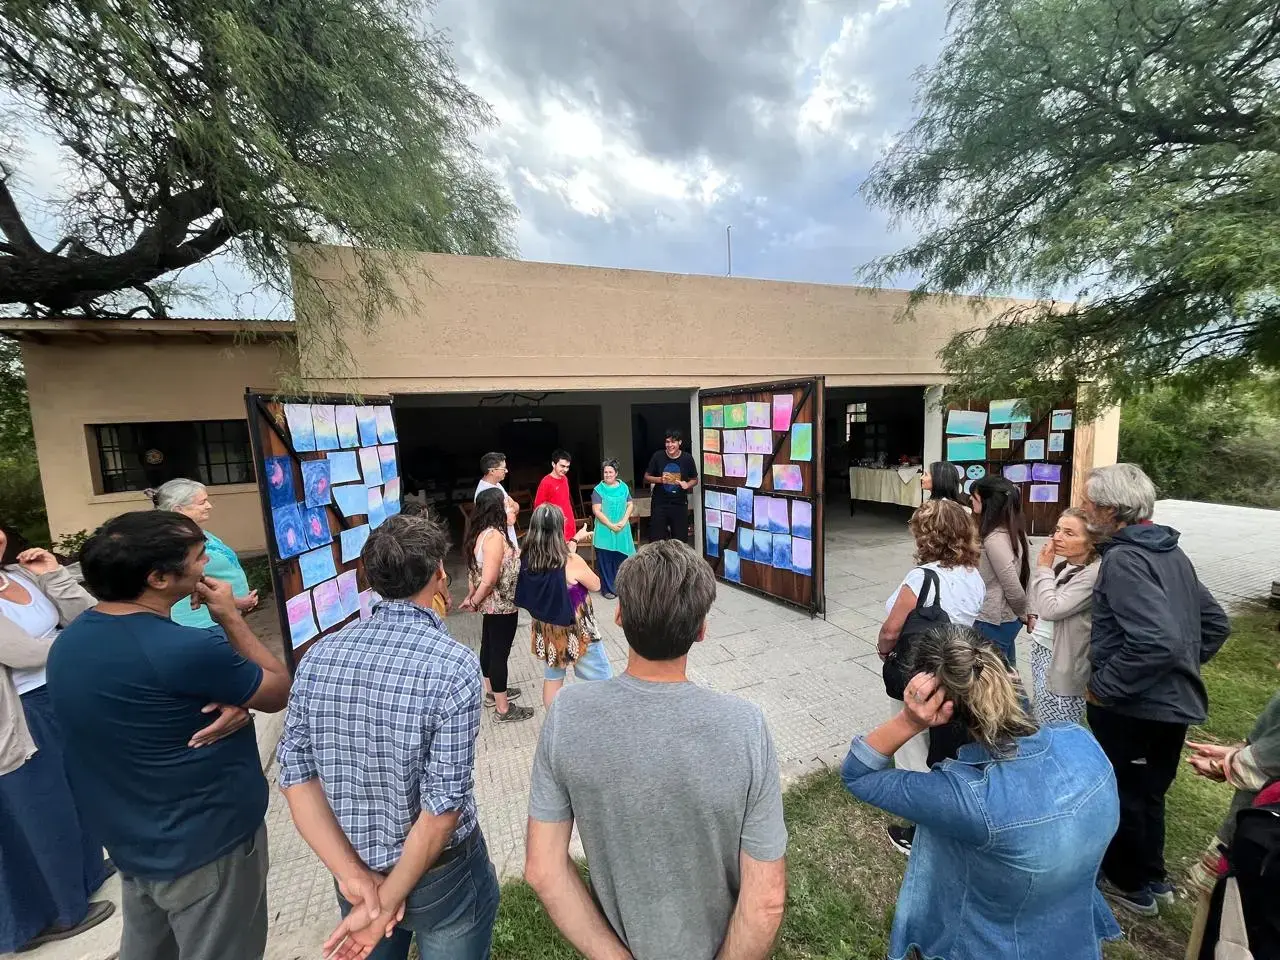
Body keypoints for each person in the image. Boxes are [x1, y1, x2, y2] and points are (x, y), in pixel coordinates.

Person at [47, 510, 292, 960]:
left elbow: (144, 708)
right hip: (206, 843)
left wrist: (233, 700)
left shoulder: (72, 641)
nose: (207, 566)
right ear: (159, 577)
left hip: (134, 839)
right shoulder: (186, 649)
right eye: (199, 558)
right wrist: (230, 619)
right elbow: (277, 690)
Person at [525, 540, 787, 960]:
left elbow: (542, 869)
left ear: (619, 615)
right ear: (701, 630)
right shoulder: (744, 726)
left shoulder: (567, 716)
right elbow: (766, 900)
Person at [279, 514, 499, 960]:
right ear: (441, 573)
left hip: (356, 868)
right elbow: (443, 806)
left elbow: (295, 776)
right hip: (441, 874)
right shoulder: (453, 666)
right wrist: (387, 901)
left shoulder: (319, 655)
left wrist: (358, 881)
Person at [842, 624, 1122, 960]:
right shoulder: (1082, 741)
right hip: (1074, 937)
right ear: (1008, 677)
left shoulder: (969, 797)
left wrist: (909, 721)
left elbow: (857, 775)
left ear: (942, 714)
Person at [1082, 463, 1231, 916]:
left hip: (1134, 708)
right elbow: (1214, 623)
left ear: (1110, 510)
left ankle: (1129, 887)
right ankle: (1152, 876)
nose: (1086, 510)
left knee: (1125, 791)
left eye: (1090, 503)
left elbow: (1158, 640)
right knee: (1148, 792)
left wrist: (1105, 686)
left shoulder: (1125, 559)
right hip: (1167, 705)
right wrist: (1179, 668)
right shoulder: (1169, 551)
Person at [0, 525, 114, 953]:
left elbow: (88, 614)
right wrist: (84, 641)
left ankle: (87, 874)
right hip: (20, 715)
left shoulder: (21, 574)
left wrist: (52, 574)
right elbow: (21, 653)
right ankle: (58, 912)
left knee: (79, 790)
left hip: (62, 694)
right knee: (41, 808)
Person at [876, 497, 985, 855]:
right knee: (944, 748)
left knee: (912, 747)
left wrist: (884, 649)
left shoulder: (921, 577)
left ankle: (921, 830)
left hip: (920, 672)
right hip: (956, 671)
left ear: (928, 537)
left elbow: (893, 629)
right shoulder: (973, 575)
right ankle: (950, 811)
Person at [1185, 687, 1280, 960]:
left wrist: (1229, 765)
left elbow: (1268, 761)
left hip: (1268, 847)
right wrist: (1233, 756)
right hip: (1263, 832)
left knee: (1234, 930)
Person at [515, 504, 610, 708]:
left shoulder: (528, 558)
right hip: (576, 629)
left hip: (547, 628)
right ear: (559, 529)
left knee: (553, 678)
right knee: (603, 678)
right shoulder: (570, 560)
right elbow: (595, 584)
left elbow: (557, 564)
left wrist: (575, 539)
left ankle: (553, 721)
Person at [461, 489, 532, 723]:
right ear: (495, 509)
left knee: (489, 646)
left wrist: (473, 597)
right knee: (499, 654)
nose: (510, 506)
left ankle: (493, 692)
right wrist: (473, 600)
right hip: (501, 605)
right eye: (505, 503)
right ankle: (503, 709)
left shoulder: (483, 533)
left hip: (493, 605)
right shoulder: (494, 537)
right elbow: (489, 579)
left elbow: (474, 572)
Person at [149, 479, 259, 627]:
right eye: (202, 503)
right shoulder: (177, 542)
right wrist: (239, 602)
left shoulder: (195, 531)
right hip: (201, 623)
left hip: (222, 617)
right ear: (178, 510)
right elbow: (189, 584)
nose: (209, 506)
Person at [1027, 507, 1099, 726]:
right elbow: (1041, 600)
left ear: (1092, 541)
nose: (1057, 537)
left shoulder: (1093, 572)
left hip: (1063, 662)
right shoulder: (1065, 566)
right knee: (1041, 717)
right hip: (1044, 651)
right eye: (1057, 529)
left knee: (1060, 727)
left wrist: (1043, 569)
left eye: (1069, 533)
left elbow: (1052, 609)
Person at [970, 475, 1031, 666]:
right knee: (1008, 674)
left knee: (993, 682)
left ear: (988, 502)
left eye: (974, 497)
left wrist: (1023, 613)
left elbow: (1011, 583)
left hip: (995, 620)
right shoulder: (1013, 531)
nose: (970, 500)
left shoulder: (994, 540)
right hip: (1004, 618)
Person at [590, 458, 636, 599]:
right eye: (605, 472)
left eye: (610, 472)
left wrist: (624, 520)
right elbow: (597, 510)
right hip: (605, 531)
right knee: (606, 561)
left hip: (622, 529)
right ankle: (608, 589)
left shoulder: (623, 487)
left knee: (621, 559)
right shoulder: (598, 490)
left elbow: (630, 504)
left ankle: (621, 588)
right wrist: (610, 525)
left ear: (616, 473)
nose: (607, 475)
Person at [643, 429, 699, 542]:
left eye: (673, 442)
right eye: (667, 442)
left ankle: (677, 560)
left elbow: (695, 479)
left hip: (679, 504)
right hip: (660, 504)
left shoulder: (687, 458)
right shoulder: (658, 456)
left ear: (680, 442)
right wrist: (660, 480)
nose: (670, 445)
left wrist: (687, 485)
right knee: (656, 540)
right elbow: (646, 477)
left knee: (680, 541)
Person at [398, 502, 451, 618]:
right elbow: (440, 579)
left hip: (405, 604)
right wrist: (446, 598)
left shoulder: (399, 547)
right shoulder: (432, 549)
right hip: (430, 599)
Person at [534, 449, 590, 544]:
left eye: (567, 467)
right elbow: (538, 508)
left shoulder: (565, 479)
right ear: (553, 464)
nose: (565, 470)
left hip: (569, 524)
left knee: (571, 553)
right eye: (562, 466)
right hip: (555, 528)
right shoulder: (546, 482)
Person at [474, 451, 518, 544]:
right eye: (503, 469)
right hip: (498, 543)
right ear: (492, 471)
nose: (506, 471)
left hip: (508, 537)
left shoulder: (497, 484)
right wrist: (513, 507)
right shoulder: (486, 493)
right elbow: (510, 520)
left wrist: (513, 507)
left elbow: (516, 506)